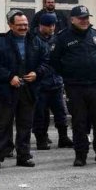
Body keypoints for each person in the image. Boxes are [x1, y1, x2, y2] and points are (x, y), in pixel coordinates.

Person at [50, 5, 96, 167]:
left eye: (86, 18)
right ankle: (81, 155)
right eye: (81, 18)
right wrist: (69, 74)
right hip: (75, 86)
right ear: (72, 20)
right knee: (79, 122)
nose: (84, 21)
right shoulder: (63, 37)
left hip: (94, 85)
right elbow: (54, 61)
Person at [0, 11, 49, 169]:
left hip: (28, 90)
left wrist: (37, 73)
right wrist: (9, 77)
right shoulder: (0, 42)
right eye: (19, 25)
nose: (23, 28)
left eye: (25, 25)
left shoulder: (36, 41)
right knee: (2, 125)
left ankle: (24, 156)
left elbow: (46, 61)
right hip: (6, 91)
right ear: (10, 25)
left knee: (25, 125)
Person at [32, 13, 72, 150]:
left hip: (56, 82)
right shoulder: (34, 40)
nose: (52, 28)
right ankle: (41, 139)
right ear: (41, 26)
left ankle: (63, 138)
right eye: (49, 25)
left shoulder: (56, 39)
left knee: (61, 113)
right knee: (40, 115)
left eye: (53, 25)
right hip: (41, 84)